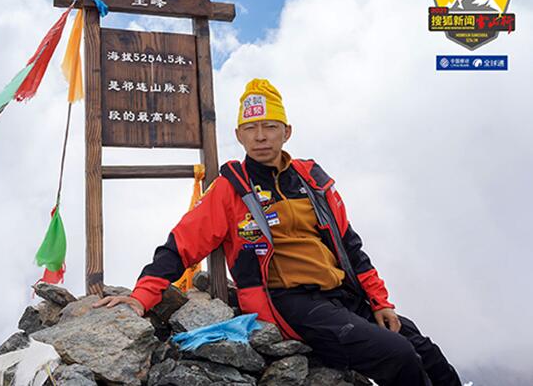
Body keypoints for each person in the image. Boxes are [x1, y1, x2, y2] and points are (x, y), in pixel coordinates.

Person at [94, 79, 462, 386]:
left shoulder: (312, 179)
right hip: (292, 302)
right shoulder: (231, 187)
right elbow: (181, 245)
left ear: (287, 131)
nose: (260, 137)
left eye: (269, 126)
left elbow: (350, 247)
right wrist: (142, 296)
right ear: (239, 135)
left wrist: (380, 302)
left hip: (344, 296)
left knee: (428, 355)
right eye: (250, 128)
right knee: (397, 356)